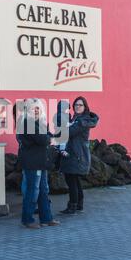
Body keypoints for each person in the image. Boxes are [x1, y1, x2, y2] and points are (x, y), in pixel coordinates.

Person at [18, 98, 60, 229]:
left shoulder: (38, 123)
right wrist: (50, 139)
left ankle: (46, 218)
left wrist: (50, 137)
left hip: (41, 162)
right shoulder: (26, 122)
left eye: (38, 108)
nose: (36, 110)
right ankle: (27, 220)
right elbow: (42, 139)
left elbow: (46, 135)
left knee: (43, 190)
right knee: (33, 191)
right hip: (32, 163)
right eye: (33, 108)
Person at [59, 96, 99, 215]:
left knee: (71, 180)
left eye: (80, 105)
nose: (77, 107)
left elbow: (69, 133)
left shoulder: (82, 121)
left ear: (85, 107)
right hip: (76, 153)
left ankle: (72, 206)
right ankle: (79, 205)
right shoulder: (77, 118)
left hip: (76, 154)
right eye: (76, 105)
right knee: (75, 180)